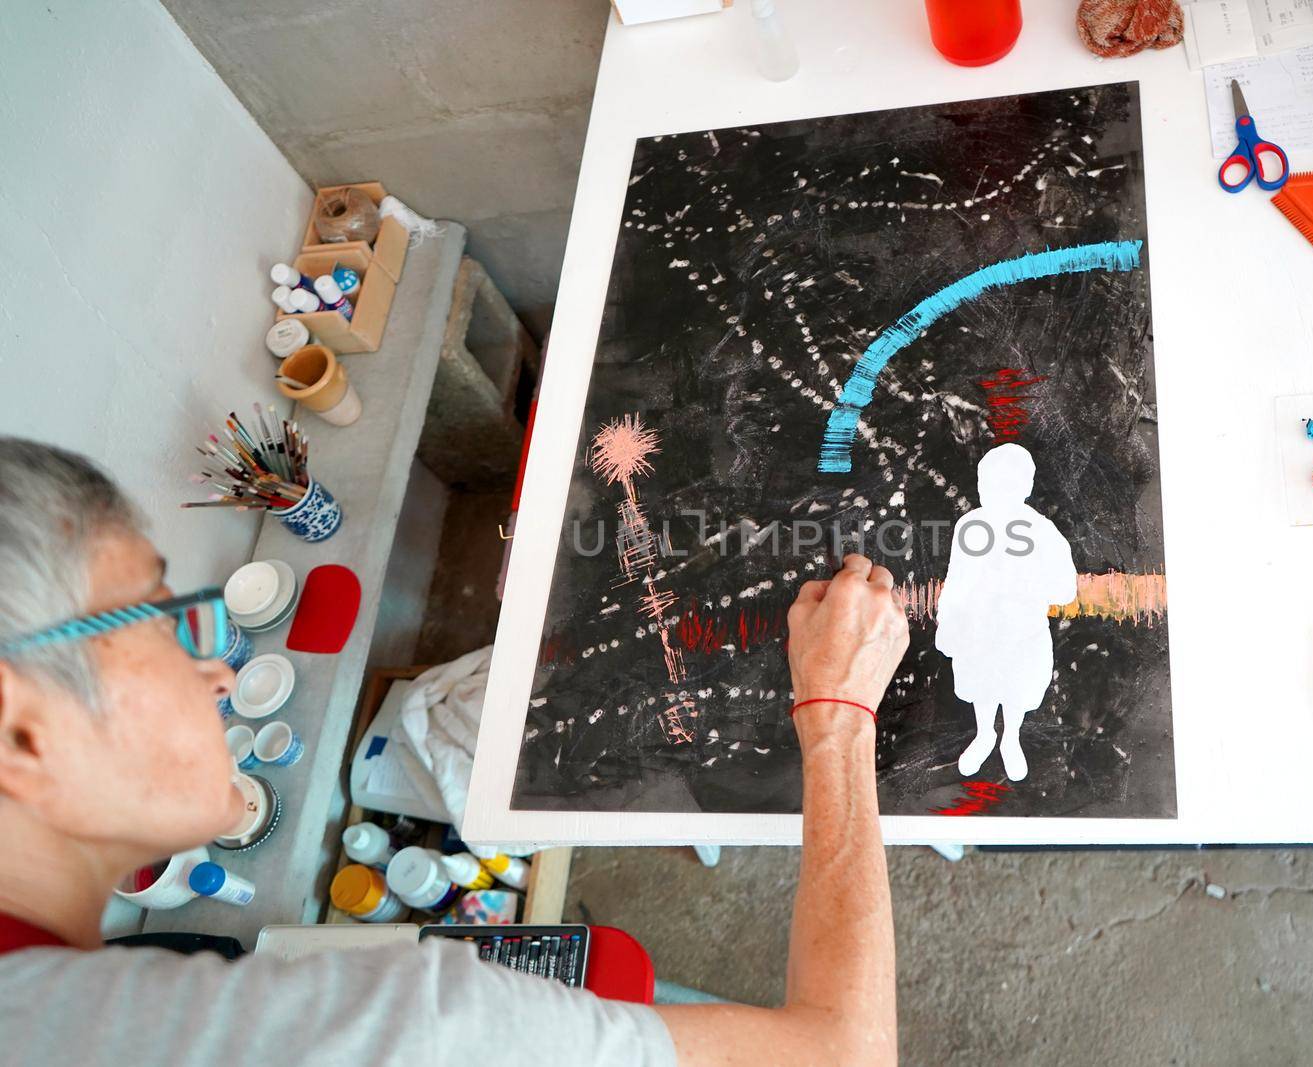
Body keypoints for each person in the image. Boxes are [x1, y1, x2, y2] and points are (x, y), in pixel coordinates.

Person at [0, 437, 907, 1067]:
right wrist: (837, 717)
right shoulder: (389, 1032)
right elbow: (841, 1050)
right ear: (19, 725)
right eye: (168, 620)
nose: (220, 674)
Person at [934, 444, 1077, 782]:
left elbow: (1064, 587)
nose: (995, 495)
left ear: (1025, 488)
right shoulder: (971, 527)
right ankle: (985, 734)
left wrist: (1029, 585)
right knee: (981, 684)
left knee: (1017, 687)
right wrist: (949, 618)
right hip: (978, 630)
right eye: (989, 486)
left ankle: (1011, 737)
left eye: (1006, 487)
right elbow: (957, 579)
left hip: (1022, 631)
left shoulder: (1042, 531)